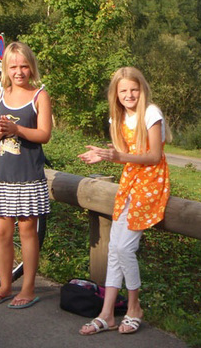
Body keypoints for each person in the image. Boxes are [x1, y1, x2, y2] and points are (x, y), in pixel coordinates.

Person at [77, 67, 171, 335]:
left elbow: (153, 156)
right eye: (123, 91)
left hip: (151, 182)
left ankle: (134, 307)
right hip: (130, 181)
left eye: (133, 89)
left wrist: (115, 158)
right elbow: (122, 153)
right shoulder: (117, 118)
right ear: (115, 94)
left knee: (125, 249)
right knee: (115, 248)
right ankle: (107, 314)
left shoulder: (151, 113)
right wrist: (104, 155)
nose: (129, 95)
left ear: (142, 89)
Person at [0, 41, 52, 309]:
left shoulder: (39, 96)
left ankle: (28, 288)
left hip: (29, 176)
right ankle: (5, 285)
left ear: (31, 67)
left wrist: (17, 129)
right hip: (3, 176)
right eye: (13, 66)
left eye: (23, 66)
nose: (19, 71)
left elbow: (44, 134)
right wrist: (1, 129)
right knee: (1, 232)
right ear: (5, 69)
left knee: (27, 231)